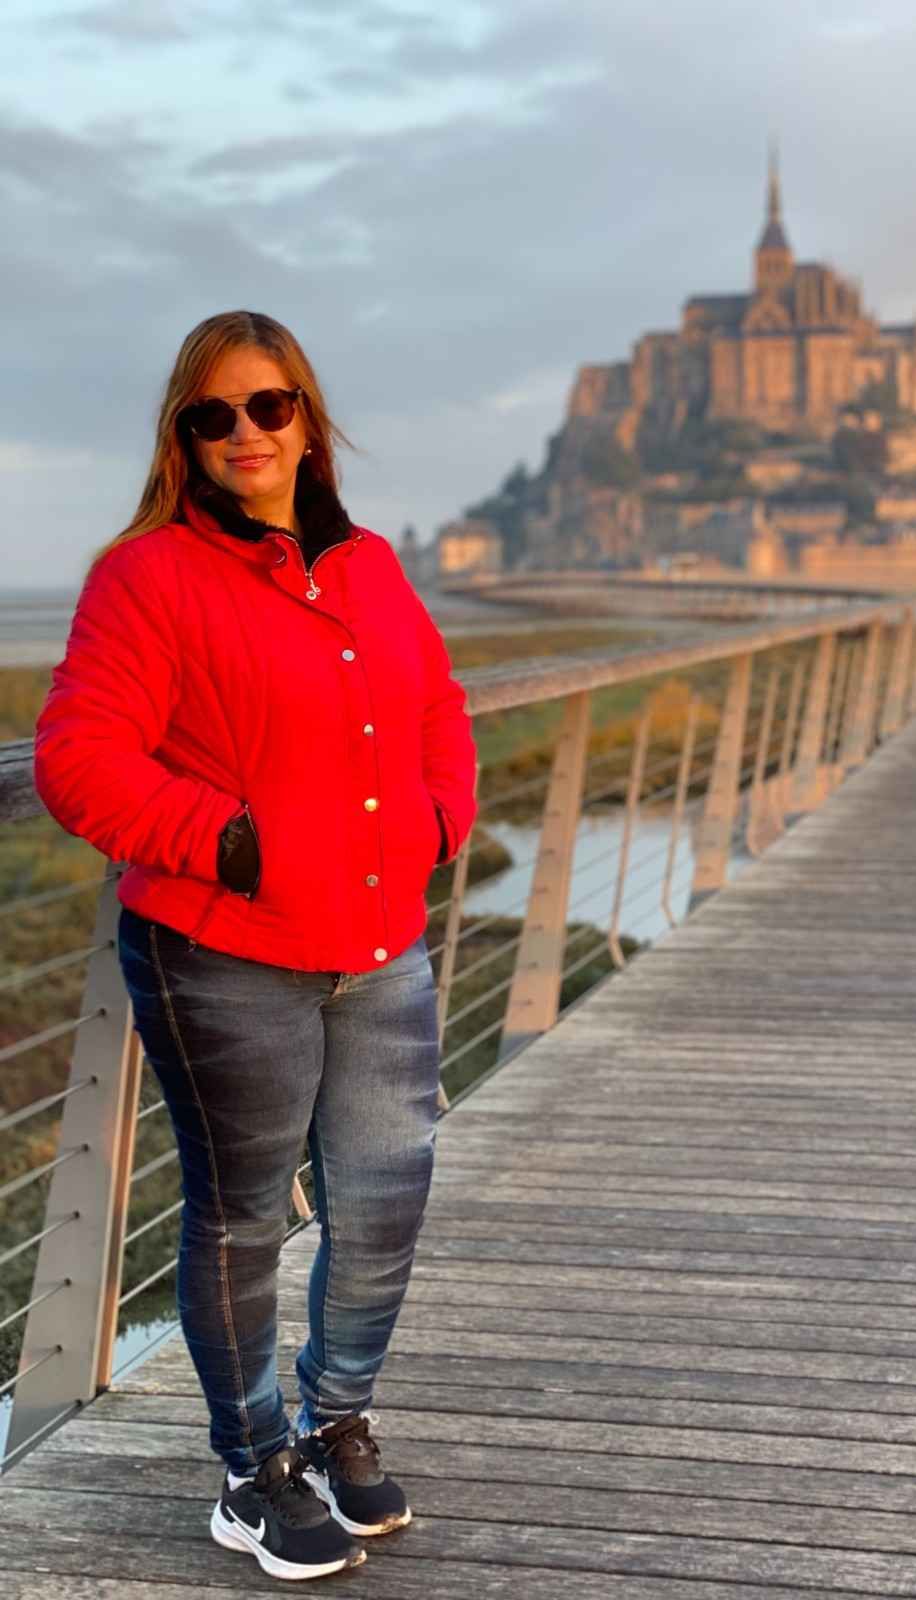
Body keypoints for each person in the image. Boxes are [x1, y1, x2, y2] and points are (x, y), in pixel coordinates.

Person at [33, 310, 477, 1582]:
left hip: (382, 946)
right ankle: (253, 1463)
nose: (245, 433)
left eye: (268, 406)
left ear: (306, 416)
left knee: (386, 1202)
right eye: (213, 415)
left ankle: (337, 1415)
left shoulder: (372, 566)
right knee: (239, 1221)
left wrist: (446, 815)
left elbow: (438, 707)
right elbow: (77, 760)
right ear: (185, 437)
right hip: (224, 954)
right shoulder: (147, 575)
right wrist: (233, 844)